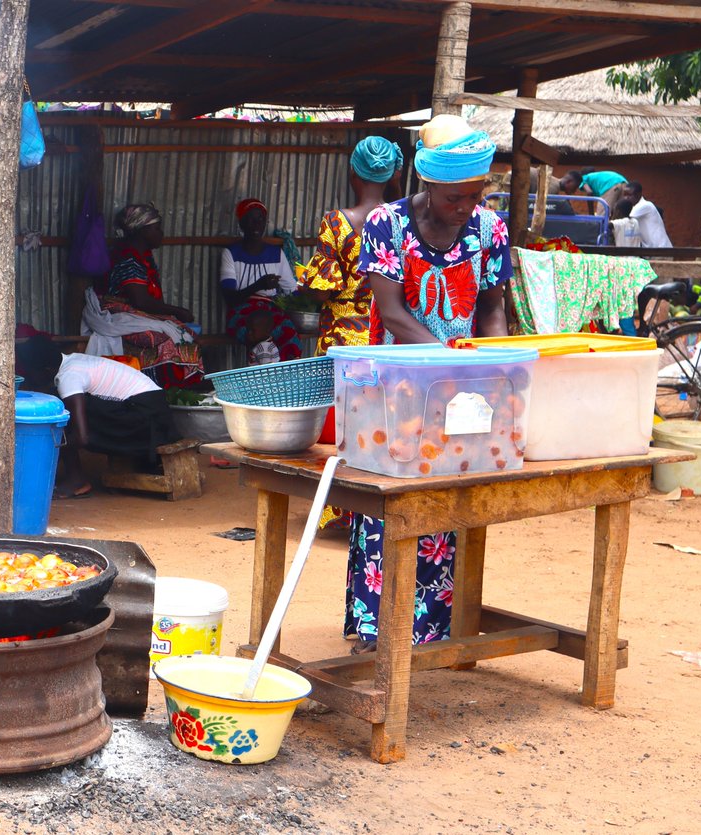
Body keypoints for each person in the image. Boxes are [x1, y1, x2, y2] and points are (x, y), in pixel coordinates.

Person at [345, 114, 512, 649]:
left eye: (474, 194)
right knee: (389, 500)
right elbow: (390, 312)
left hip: (464, 389)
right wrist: (444, 360)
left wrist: (499, 372)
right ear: (428, 184)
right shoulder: (386, 226)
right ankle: (379, 627)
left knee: (447, 498)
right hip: (393, 389)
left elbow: (491, 311)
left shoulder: (490, 229)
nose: (466, 207)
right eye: (454, 198)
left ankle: (433, 630)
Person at [299, 135, 403, 531]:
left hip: (342, 339)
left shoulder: (338, 221)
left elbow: (323, 284)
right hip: (384, 335)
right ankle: (375, 508)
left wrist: (304, 279)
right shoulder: (399, 219)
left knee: (340, 432)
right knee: (379, 423)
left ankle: (340, 508)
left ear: (351, 172)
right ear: (393, 172)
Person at [16, 335, 181, 499]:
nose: (29, 378)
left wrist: (49, 449)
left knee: (60, 418)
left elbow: (82, 438)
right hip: (156, 415)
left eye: (30, 373)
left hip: (146, 423)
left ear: (46, 370)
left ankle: (76, 479)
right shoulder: (73, 361)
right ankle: (75, 476)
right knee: (66, 409)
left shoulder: (68, 376)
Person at [83, 203, 204, 388]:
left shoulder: (143, 256)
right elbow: (140, 300)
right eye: (156, 228)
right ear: (142, 231)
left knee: (182, 333)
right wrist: (177, 311)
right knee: (165, 339)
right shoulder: (128, 257)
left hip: (134, 312)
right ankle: (164, 389)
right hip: (116, 312)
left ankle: (181, 387)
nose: (161, 233)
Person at [219, 198, 303, 365]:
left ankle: (287, 381)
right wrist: (259, 285)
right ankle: (259, 381)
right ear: (242, 224)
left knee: (289, 334)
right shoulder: (231, 253)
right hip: (241, 310)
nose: (257, 225)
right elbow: (229, 297)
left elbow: (292, 291)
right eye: (251, 219)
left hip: (270, 310)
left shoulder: (276, 254)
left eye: (261, 220)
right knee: (256, 335)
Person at [620, 182, 673, 248]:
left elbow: (622, 218)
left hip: (661, 249)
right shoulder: (635, 207)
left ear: (638, 194)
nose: (626, 198)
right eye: (624, 195)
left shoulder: (644, 205)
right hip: (653, 250)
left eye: (629, 195)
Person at [559, 168, 627, 216]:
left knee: (601, 217)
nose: (574, 191)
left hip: (610, 185)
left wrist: (591, 214)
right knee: (618, 213)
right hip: (623, 182)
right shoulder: (592, 177)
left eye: (575, 188)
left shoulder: (583, 179)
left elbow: (589, 192)